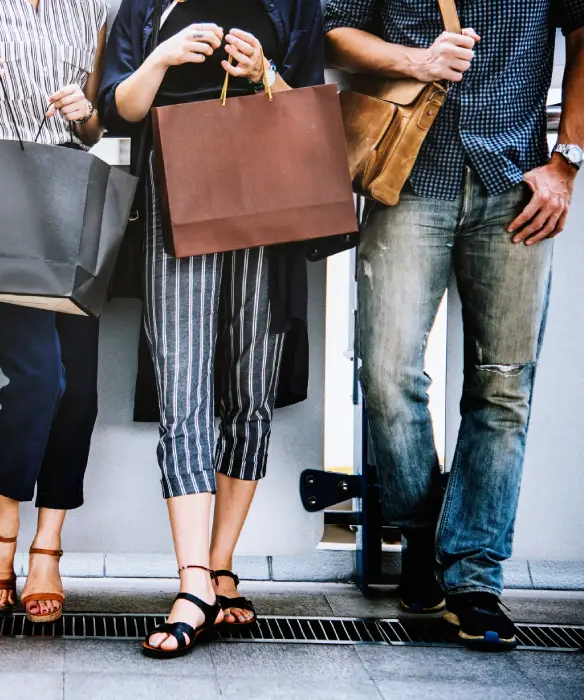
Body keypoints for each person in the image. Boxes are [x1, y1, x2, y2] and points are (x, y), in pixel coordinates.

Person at [325, 0, 584, 650]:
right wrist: (416, 59)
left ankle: (472, 580)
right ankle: (421, 533)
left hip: (517, 183)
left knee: (502, 388)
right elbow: (331, 30)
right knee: (386, 374)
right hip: (409, 175)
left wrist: (568, 161)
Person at [99, 0, 325, 657]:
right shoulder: (146, 4)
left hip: (270, 192)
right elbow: (118, 105)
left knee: (253, 383)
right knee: (183, 383)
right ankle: (193, 579)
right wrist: (164, 57)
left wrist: (264, 71)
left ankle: (221, 564)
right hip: (177, 190)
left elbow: (312, 106)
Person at [0, 0, 109, 624]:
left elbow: (92, 128)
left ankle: (47, 548)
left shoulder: (95, 7)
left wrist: (85, 113)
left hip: (73, 194)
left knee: (81, 392)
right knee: (39, 378)